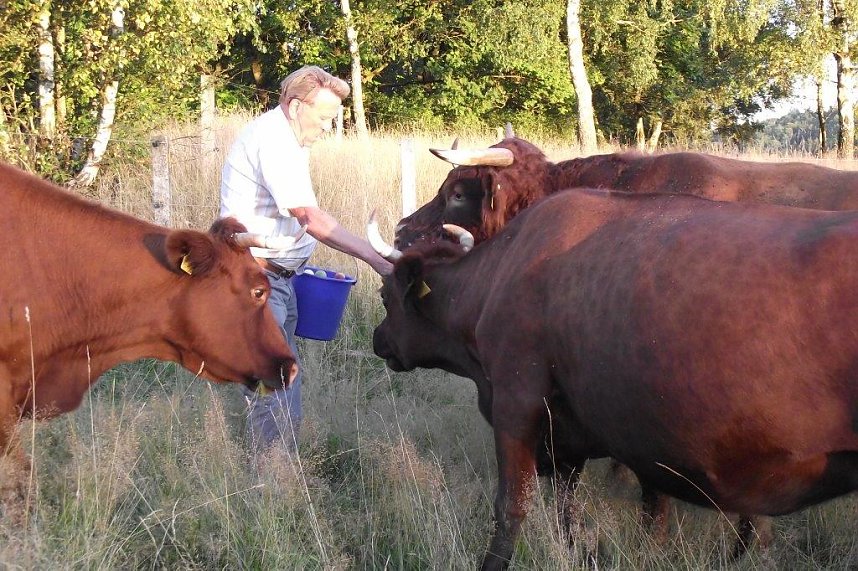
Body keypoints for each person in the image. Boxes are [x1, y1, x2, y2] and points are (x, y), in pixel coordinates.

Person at [219, 65, 393, 461]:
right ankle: (273, 481)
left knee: (282, 380)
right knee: (274, 384)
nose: (329, 127)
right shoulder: (274, 141)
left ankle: (279, 468)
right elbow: (309, 217)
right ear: (296, 106)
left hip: (277, 279)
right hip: (255, 282)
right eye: (325, 117)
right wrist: (375, 259)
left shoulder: (289, 138)